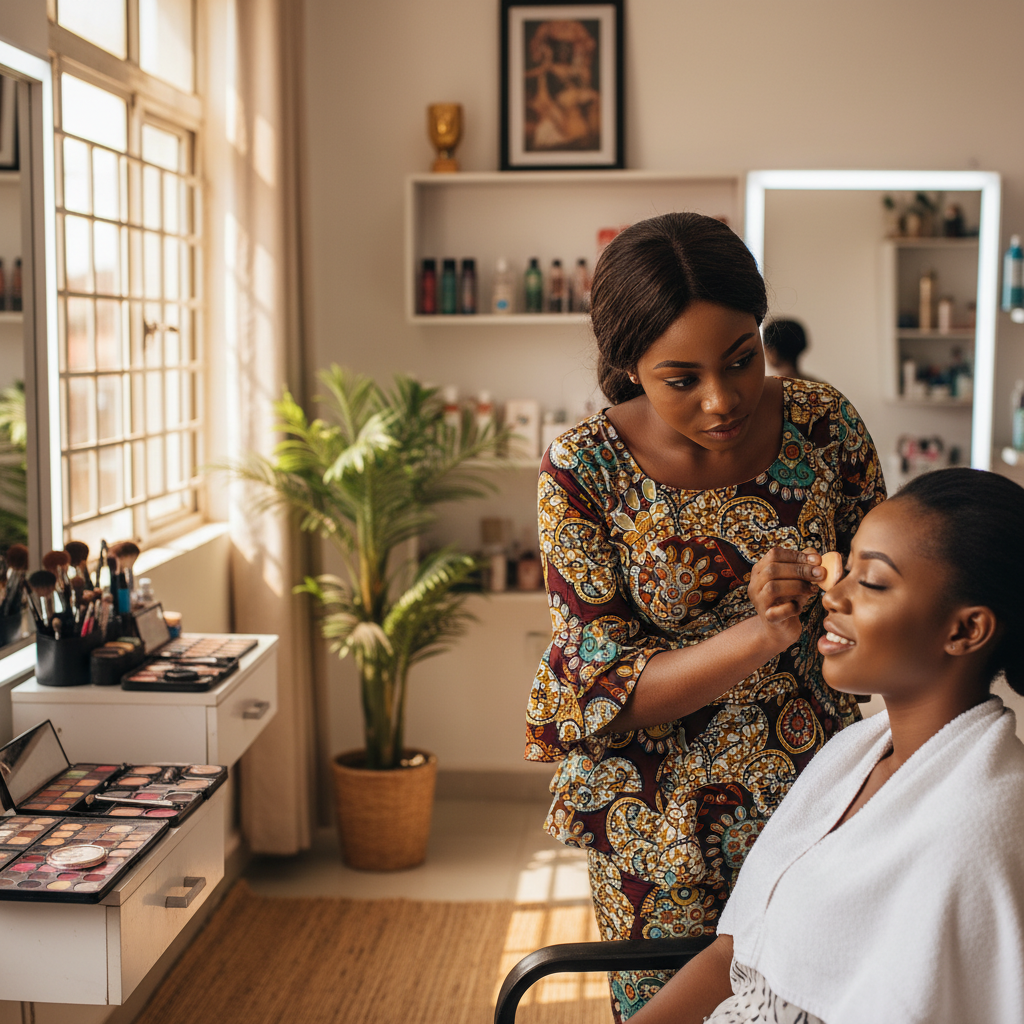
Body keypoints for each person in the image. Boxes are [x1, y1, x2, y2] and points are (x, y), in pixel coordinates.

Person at [524, 212, 885, 1021]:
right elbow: (605, 691)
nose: (723, 400)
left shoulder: (823, 424)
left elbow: (884, 593)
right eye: (681, 379)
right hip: (660, 826)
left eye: (742, 359)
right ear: (629, 366)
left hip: (822, 792)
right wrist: (763, 633)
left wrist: (841, 594)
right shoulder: (583, 469)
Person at [630, 467, 1024, 1024]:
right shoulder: (854, 753)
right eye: (848, 568)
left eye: (873, 582)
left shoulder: (978, 824)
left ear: (965, 631)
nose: (833, 595)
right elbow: (734, 953)